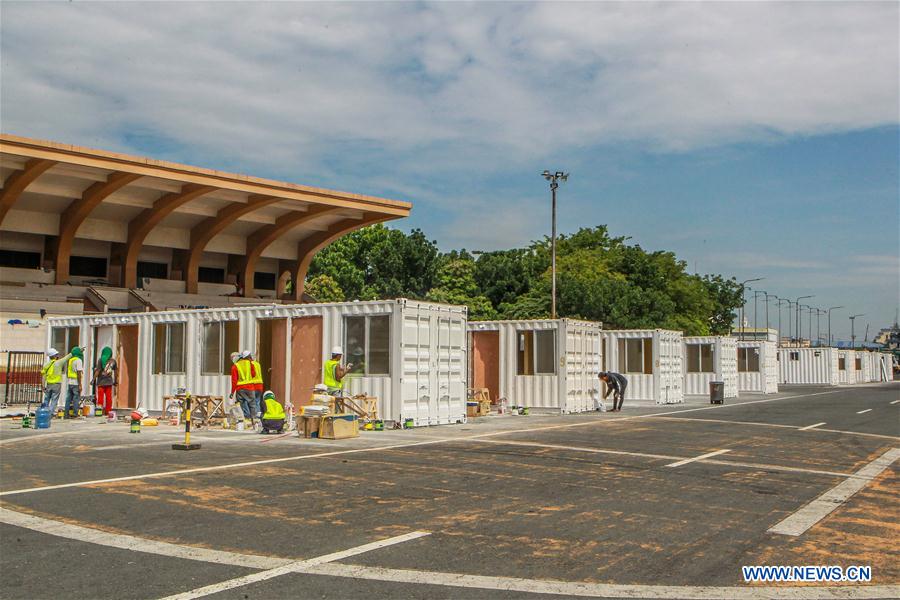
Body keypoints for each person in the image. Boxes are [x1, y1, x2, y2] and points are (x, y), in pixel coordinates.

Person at [231, 349, 263, 426]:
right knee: (253, 405)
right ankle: (254, 421)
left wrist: (232, 392)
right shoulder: (251, 364)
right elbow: (253, 374)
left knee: (241, 405)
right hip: (251, 388)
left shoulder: (235, 366)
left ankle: (243, 421)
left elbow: (234, 381)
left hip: (240, 389)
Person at [41, 348, 72, 415]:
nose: (58, 355)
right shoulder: (59, 363)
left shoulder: (46, 365)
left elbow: (43, 376)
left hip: (49, 384)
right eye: (57, 354)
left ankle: (44, 412)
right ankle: (50, 413)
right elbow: (67, 357)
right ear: (55, 355)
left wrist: (43, 386)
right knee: (54, 400)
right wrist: (76, 351)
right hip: (57, 384)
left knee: (46, 399)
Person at [93, 346, 117, 416]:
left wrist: (93, 379)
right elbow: (116, 372)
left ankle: (99, 412)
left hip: (100, 382)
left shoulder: (100, 360)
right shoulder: (113, 361)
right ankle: (108, 412)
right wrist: (115, 381)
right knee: (109, 398)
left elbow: (98, 371)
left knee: (100, 398)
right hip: (109, 382)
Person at [65, 346, 85, 418]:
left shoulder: (71, 360)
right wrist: (80, 384)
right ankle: (75, 414)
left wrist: (80, 350)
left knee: (68, 399)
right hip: (76, 382)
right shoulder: (79, 360)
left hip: (70, 382)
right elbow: (79, 373)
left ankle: (66, 414)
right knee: (76, 399)